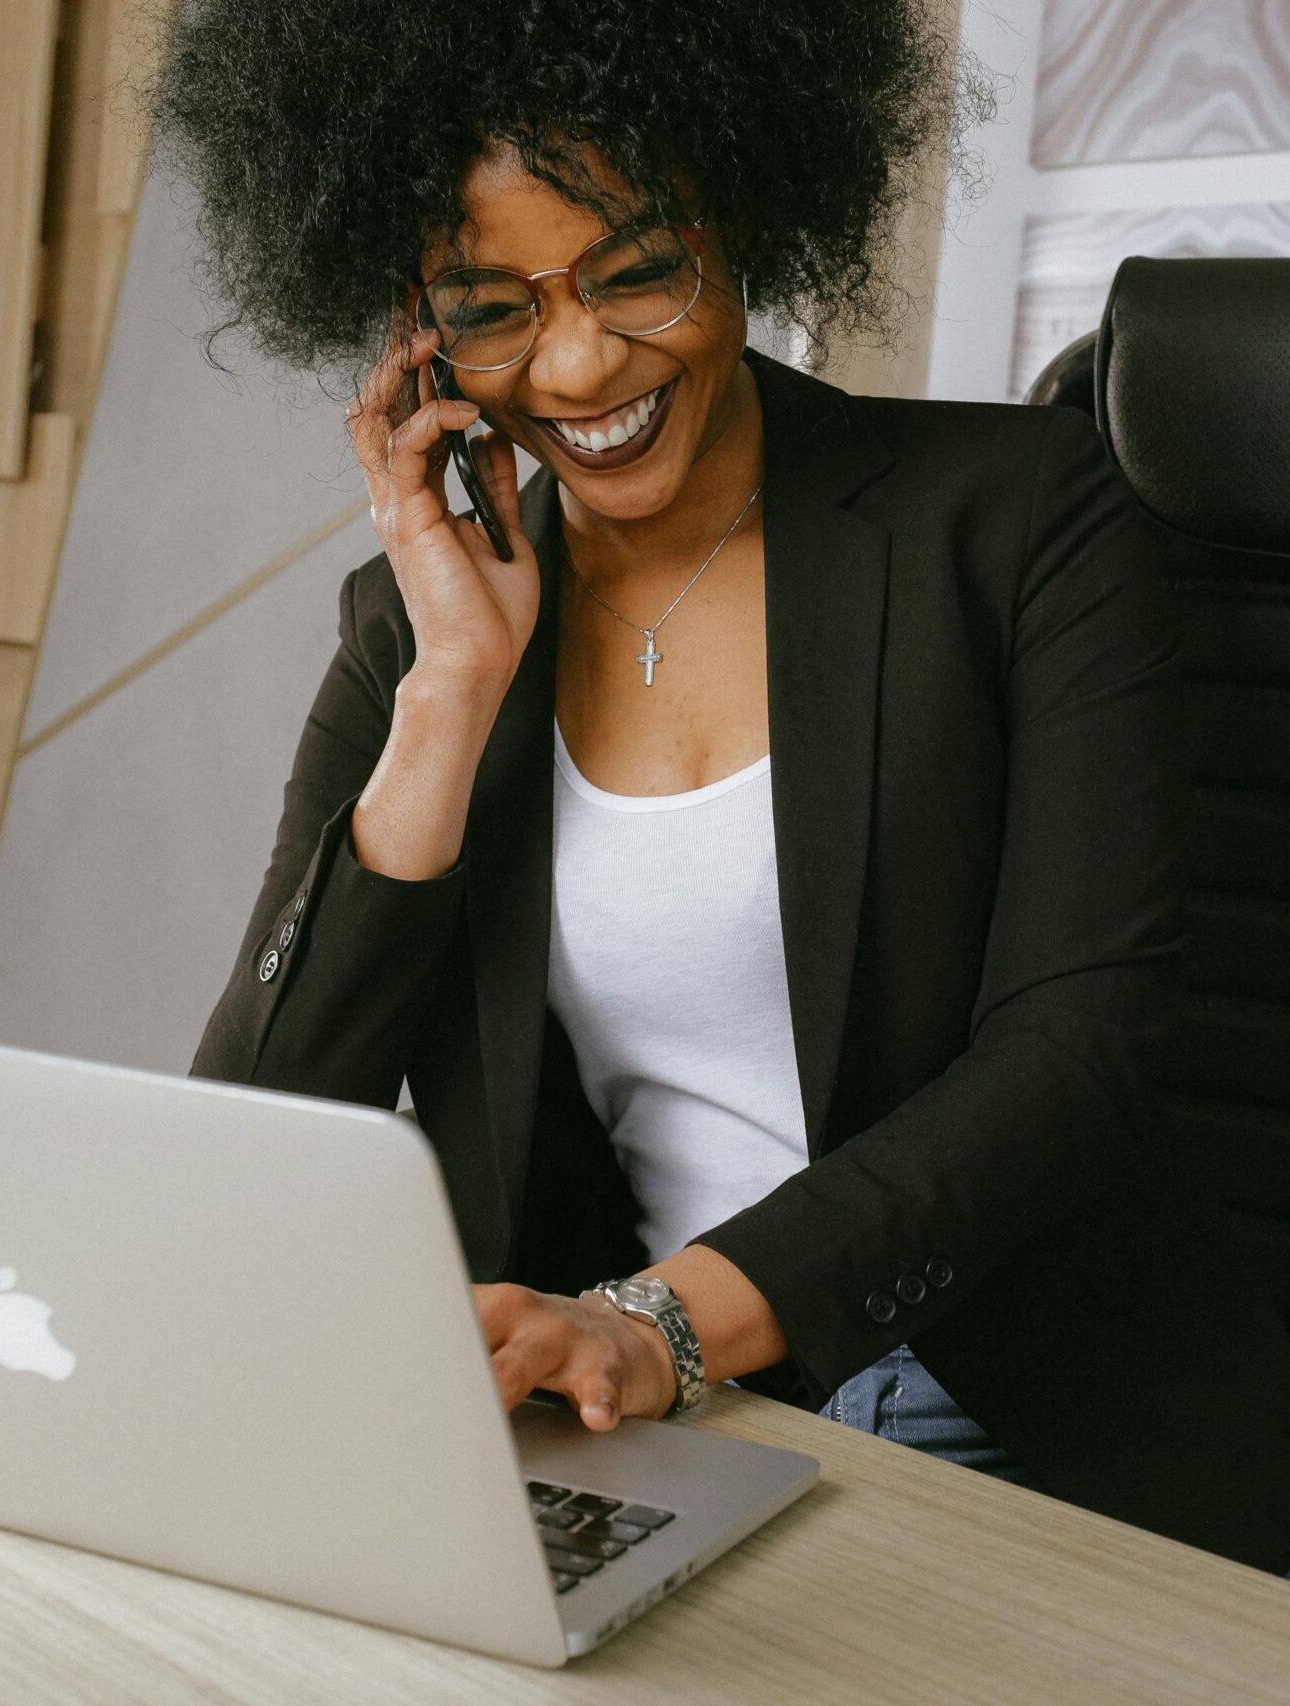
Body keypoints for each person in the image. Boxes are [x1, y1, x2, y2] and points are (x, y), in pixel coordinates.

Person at [141, 0, 1290, 1575]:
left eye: (634, 271)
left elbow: (1076, 1051)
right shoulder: (416, 624)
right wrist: (452, 688)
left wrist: (660, 1323)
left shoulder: (1018, 518)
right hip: (631, 1425)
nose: (576, 360)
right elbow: (263, 1131)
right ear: (419, 334)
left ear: (742, 221)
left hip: (1017, 1398)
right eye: (491, 308)